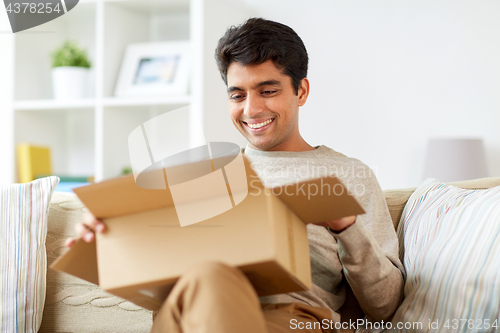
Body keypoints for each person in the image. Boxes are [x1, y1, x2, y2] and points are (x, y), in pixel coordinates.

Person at [66, 17, 404, 333]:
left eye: (267, 91)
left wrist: (347, 227)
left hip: (290, 320)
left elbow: (386, 305)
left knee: (212, 275)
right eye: (237, 95)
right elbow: (159, 280)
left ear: (300, 91)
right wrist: (111, 242)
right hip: (189, 314)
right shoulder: (200, 175)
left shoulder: (348, 174)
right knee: (208, 276)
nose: (251, 109)